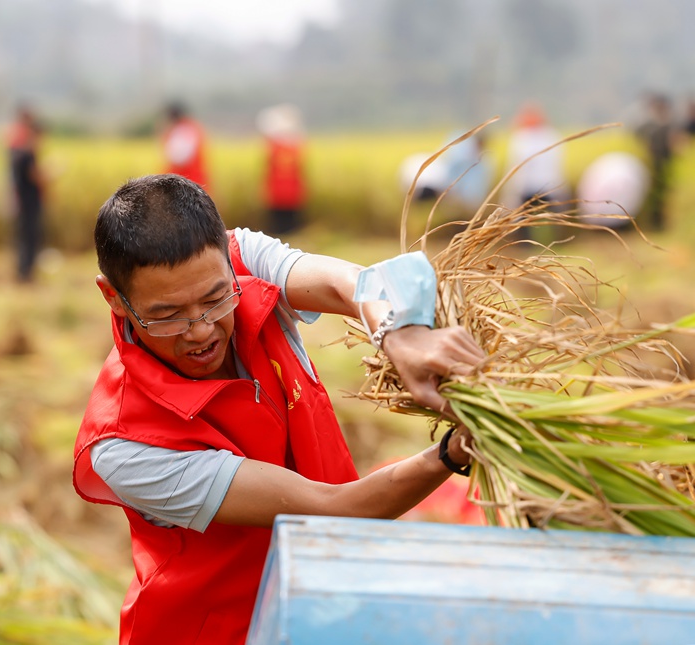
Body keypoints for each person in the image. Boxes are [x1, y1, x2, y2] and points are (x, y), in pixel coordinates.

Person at [72, 174, 486, 644]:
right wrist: (452, 454)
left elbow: (346, 285)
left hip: (319, 602)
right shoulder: (124, 447)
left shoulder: (240, 256)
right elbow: (330, 508)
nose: (201, 330)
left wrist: (401, 333)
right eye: (167, 315)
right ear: (114, 297)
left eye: (214, 300)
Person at [7, 104, 46, 283]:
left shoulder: (17, 150)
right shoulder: (26, 153)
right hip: (28, 201)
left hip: (22, 200)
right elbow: (35, 176)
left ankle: (24, 272)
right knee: (28, 238)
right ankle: (25, 273)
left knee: (24, 237)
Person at [256, 103, 306, 235]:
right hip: (289, 192)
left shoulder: (274, 145)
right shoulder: (297, 145)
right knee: (288, 224)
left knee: (281, 225)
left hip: (280, 192)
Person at [634, 92, 681, 232]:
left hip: (667, 165)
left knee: (666, 197)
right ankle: (654, 224)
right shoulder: (648, 125)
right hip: (653, 165)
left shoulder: (671, 125)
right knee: (654, 198)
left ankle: (662, 224)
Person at [161, 101, 209, 187]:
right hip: (187, 180)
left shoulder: (184, 129)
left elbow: (179, 158)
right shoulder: (188, 127)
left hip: (187, 181)